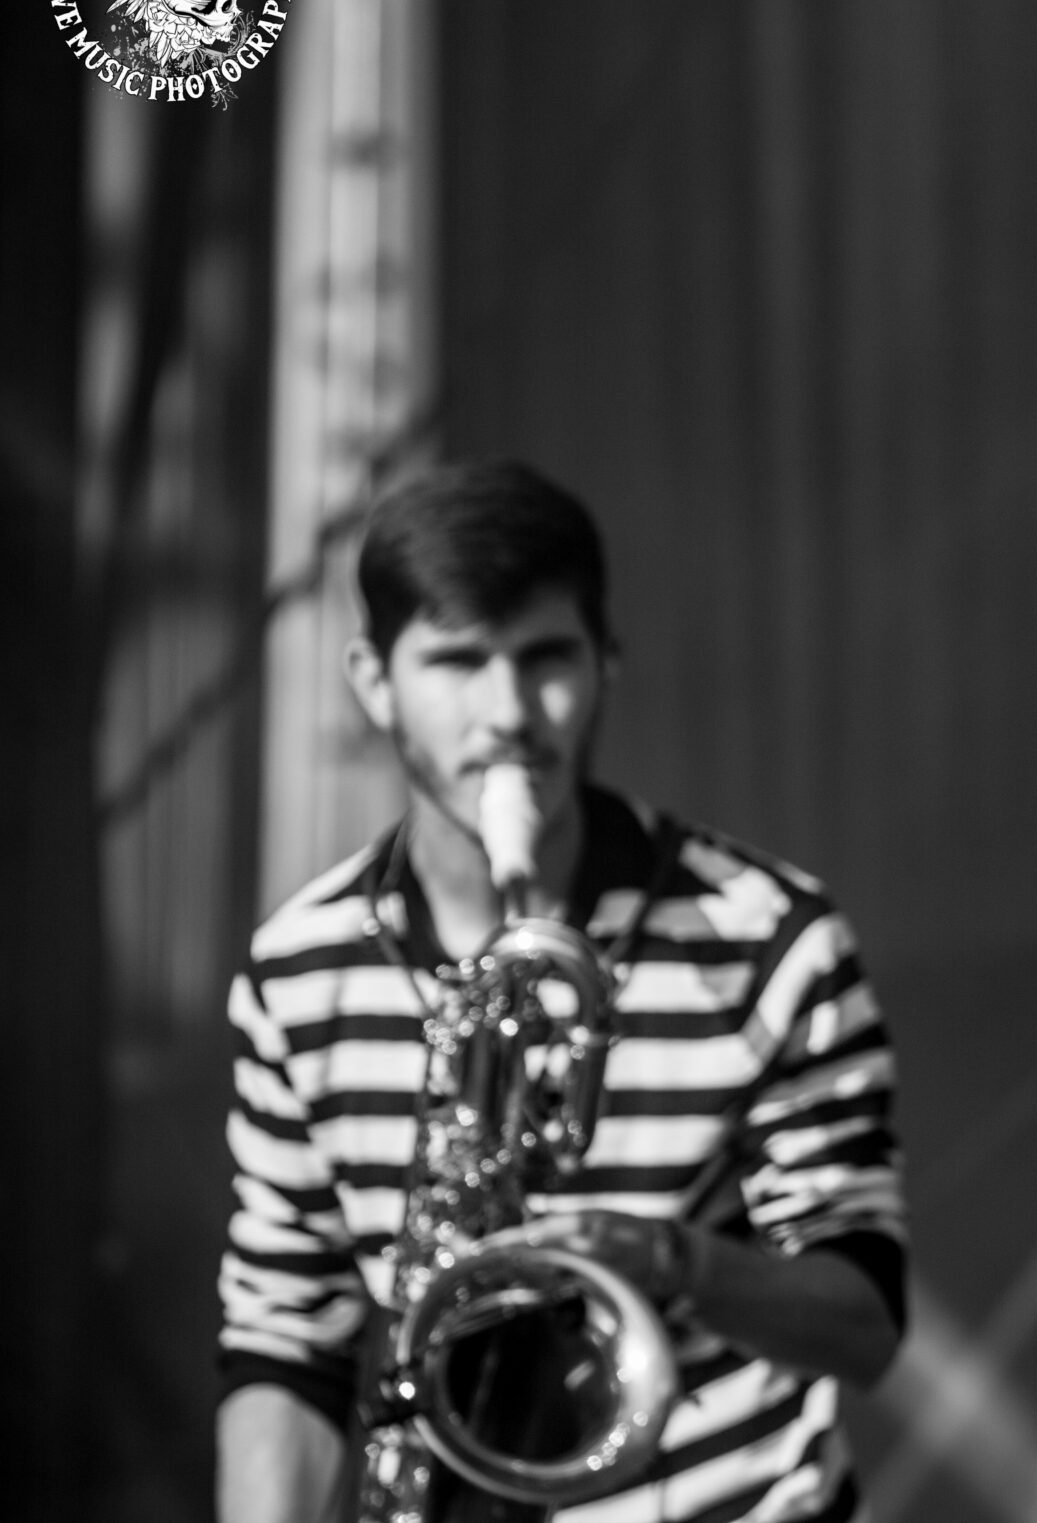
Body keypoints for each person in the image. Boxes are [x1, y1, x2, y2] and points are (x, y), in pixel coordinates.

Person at [216, 459, 906, 1523]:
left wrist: (668, 1262)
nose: (506, 714)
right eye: (457, 661)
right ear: (372, 679)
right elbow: (283, 1344)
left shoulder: (770, 938)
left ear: (605, 662)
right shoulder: (297, 969)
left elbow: (864, 1322)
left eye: (545, 659)